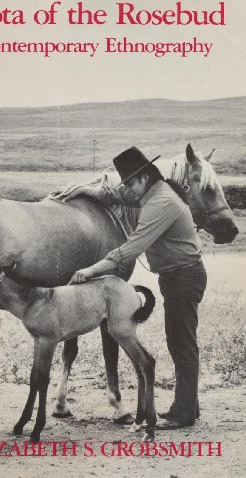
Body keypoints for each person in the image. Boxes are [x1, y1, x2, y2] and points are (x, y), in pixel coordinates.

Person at [63, 146, 207, 429]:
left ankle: (184, 414)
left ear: (145, 176)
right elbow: (119, 195)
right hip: (177, 276)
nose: (128, 188)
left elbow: (130, 249)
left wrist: (90, 270)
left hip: (183, 277)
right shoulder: (152, 192)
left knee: (181, 343)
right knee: (180, 341)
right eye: (125, 182)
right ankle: (189, 405)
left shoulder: (160, 203)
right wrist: (88, 190)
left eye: (131, 181)